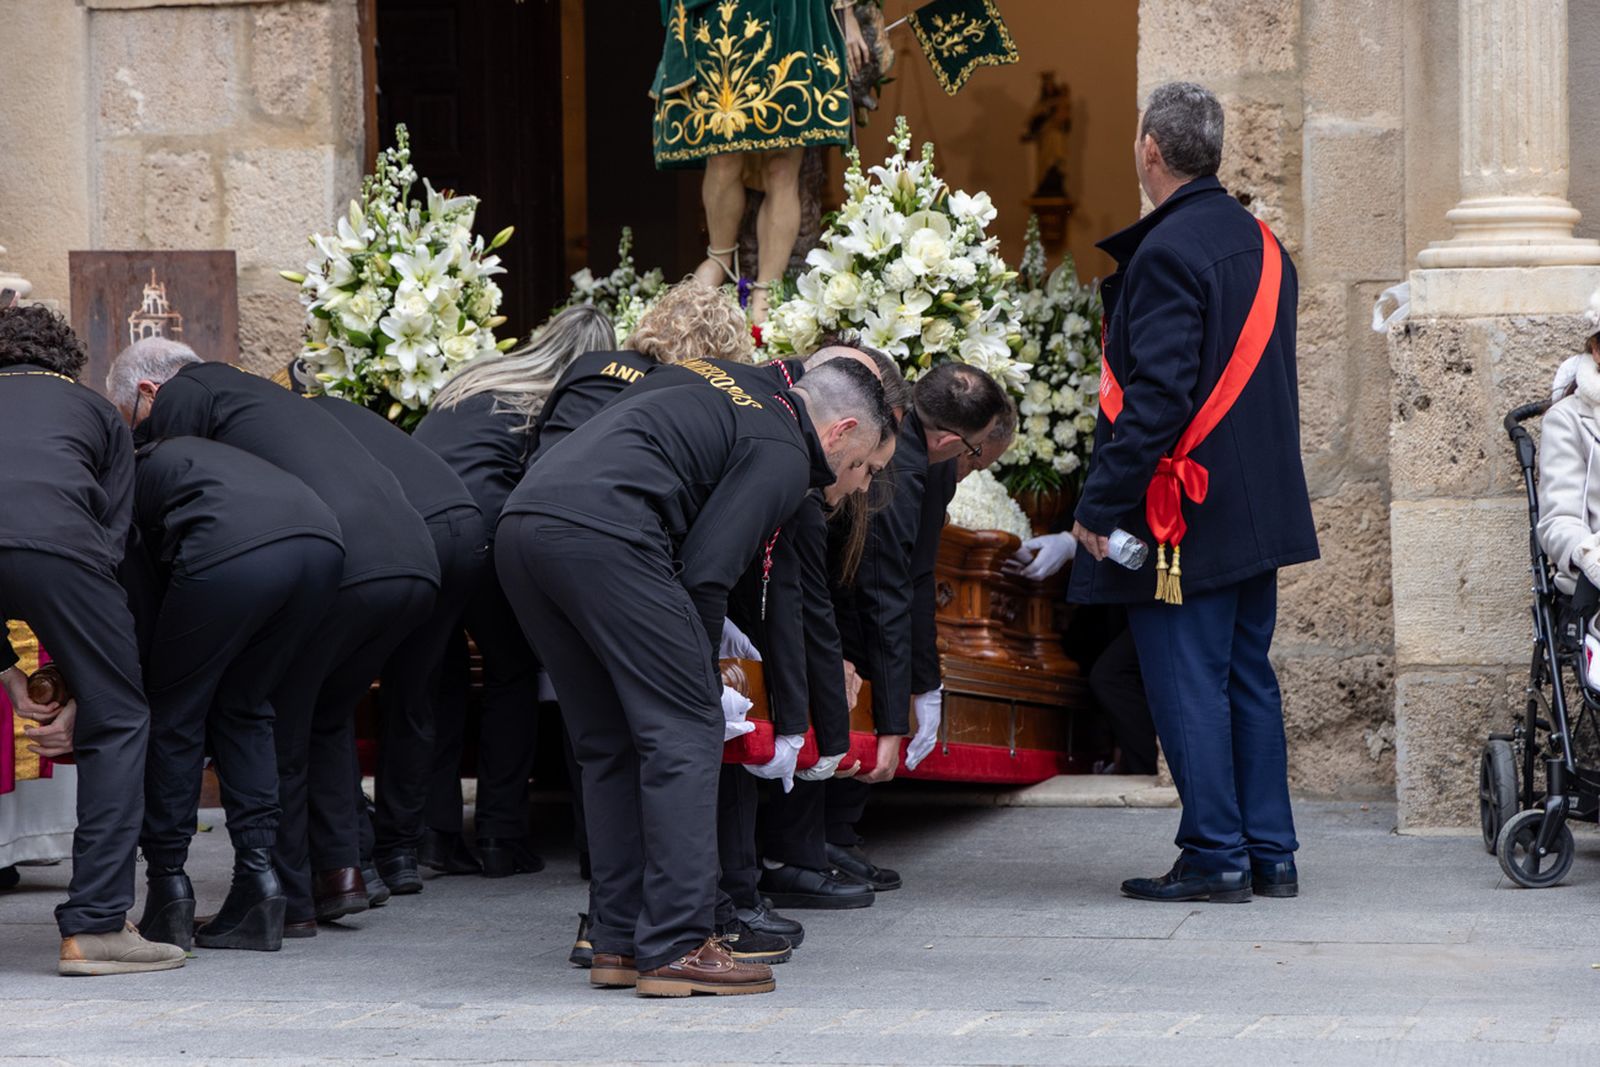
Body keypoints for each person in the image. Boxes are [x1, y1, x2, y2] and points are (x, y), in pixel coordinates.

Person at [497, 356, 895, 996]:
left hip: (524, 526)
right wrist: (699, 679)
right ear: (840, 432)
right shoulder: (781, 444)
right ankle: (679, 944)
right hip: (610, 536)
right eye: (865, 468)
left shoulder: (718, 382)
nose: (856, 486)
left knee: (609, 744)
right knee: (685, 733)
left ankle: (618, 940)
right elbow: (707, 573)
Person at [1070, 82, 1317, 904]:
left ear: (1150, 149)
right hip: (1258, 507)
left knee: (1187, 679)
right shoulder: (1265, 243)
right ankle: (1270, 851)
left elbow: (1159, 396)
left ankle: (1215, 852)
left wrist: (1099, 506)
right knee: (1247, 674)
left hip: (1186, 512)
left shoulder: (1167, 251)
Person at [107, 340, 439, 935]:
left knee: (217, 713)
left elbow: (174, 521)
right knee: (295, 711)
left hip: (327, 561)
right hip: (397, 556)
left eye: (135, 424)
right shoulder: (264, 397)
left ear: (150, 394)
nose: (140, 441)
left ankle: (240, 894)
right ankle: (329, 874)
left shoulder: (187, 396)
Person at [761, 361, 1012, 906]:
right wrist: (897, 716)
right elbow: (886, 590)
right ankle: (793, 850)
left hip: (854, 599)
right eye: (975, 452)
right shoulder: (903, 467)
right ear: (949, 438)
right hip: (831, 596)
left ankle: (827, 838)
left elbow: (917, 578)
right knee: (830, 699)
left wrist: (926, 680)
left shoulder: (934, 461)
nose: (970, 463)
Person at [0, 305, 186, 975]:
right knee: (120, 716)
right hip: (65, 550)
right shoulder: (97, 412)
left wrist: (6, 669)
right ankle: (97, 924)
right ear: (67, 361)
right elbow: (111, 542)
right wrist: (87, 678)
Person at [413, 305, 618, 877]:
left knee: (440, 680)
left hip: (419, 530)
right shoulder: (556, 401)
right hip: (482, 533)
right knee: (510, 674)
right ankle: (502, 834)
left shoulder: (478, 378)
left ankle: (434, 835)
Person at [123, 435, 345, 952]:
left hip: (231, 549)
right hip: (322, 546)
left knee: (173, 714)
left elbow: (140, 609)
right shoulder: (198, 457)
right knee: (244, 706)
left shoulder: (123, 480)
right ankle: (259, 883)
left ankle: (169, 889)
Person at [303, 394, 487, 898]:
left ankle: (356, 854)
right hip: (466, 526)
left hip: (408, 535)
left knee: (336, 695)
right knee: (415, 694)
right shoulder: (341, 411)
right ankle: (402, 851)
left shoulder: (287, 423)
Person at [652, 1, 868, 324]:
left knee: (782, 166)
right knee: (723, 153)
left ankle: (766, 294)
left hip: (794, 14)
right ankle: (719, 260)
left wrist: (847, 14)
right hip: (725, 13)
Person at [532, 278, 753, 461]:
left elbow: (539, 431)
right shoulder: (681, 396)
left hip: (529, 496)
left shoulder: (589, 362)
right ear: (719, 351)